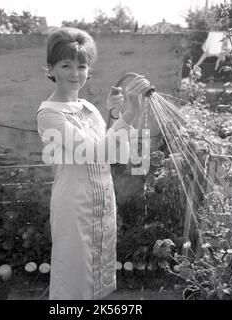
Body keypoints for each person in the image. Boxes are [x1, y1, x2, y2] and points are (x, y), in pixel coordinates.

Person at [37, 27, 151, 300]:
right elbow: (94, 153)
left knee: (99, 274)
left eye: (82, 65)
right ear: (51, 67)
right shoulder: (49, 115)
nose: (75, 73)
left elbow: (116, 154)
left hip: (103, 200)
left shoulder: (88, 109)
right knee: (74, 276)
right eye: (66, 65)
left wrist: (117, 114)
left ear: (89, 70)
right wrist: (132, 113)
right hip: (75, 204)